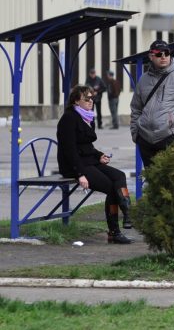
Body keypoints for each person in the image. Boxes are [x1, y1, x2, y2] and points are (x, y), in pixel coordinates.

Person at [57, 85, 132, 244]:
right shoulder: (69, 118)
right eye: (87, 99)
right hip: (74, 166)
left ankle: (127, 213)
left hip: (88, 162)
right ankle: (114, 232)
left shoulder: (87, 117)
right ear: (77, 101)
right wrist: (80, 174)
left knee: (120, 176)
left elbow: (87, 147)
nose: (91, 101)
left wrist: (99, 156)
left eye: (93, 98)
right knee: (111, 188)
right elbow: (70, 150)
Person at [130, 40, 174, 169]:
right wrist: (136, 133)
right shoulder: (144, 79)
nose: (163, 57)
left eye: (166, 53)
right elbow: (136, 108)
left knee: (170, 182)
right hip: (145, 139)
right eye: (159, 54)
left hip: (169, 138)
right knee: (152, 181)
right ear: (151, 56)